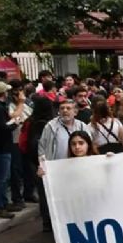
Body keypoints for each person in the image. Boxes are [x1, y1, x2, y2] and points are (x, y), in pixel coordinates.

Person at [38, 131, 123, 243]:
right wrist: (45, 175)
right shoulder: (63, 168)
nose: (77, 147)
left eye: (81, 143)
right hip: (76, 215)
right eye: (73, 144)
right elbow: (58, 188)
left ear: (88, 144)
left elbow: (114, 180)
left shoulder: (98, 162)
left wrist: (112, 163)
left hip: (99, 213)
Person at [38, 98, 92, 231]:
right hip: (58, 171)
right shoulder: (51, 126)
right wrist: (43, 165)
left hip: (78, 170)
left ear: (75, 111)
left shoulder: (82, 126)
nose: (65, 111)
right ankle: (55, 226)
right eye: (62, 108)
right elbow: (42, 148)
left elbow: (90, 145)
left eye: (68, 108)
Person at [0, 82, 18, 218]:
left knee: (3, 178)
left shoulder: (0, 106)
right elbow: (2, 128)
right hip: (1, 148)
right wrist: (15, 124)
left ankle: (3, 202)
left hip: (2, 147)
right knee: (1, 178)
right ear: (3, 93)